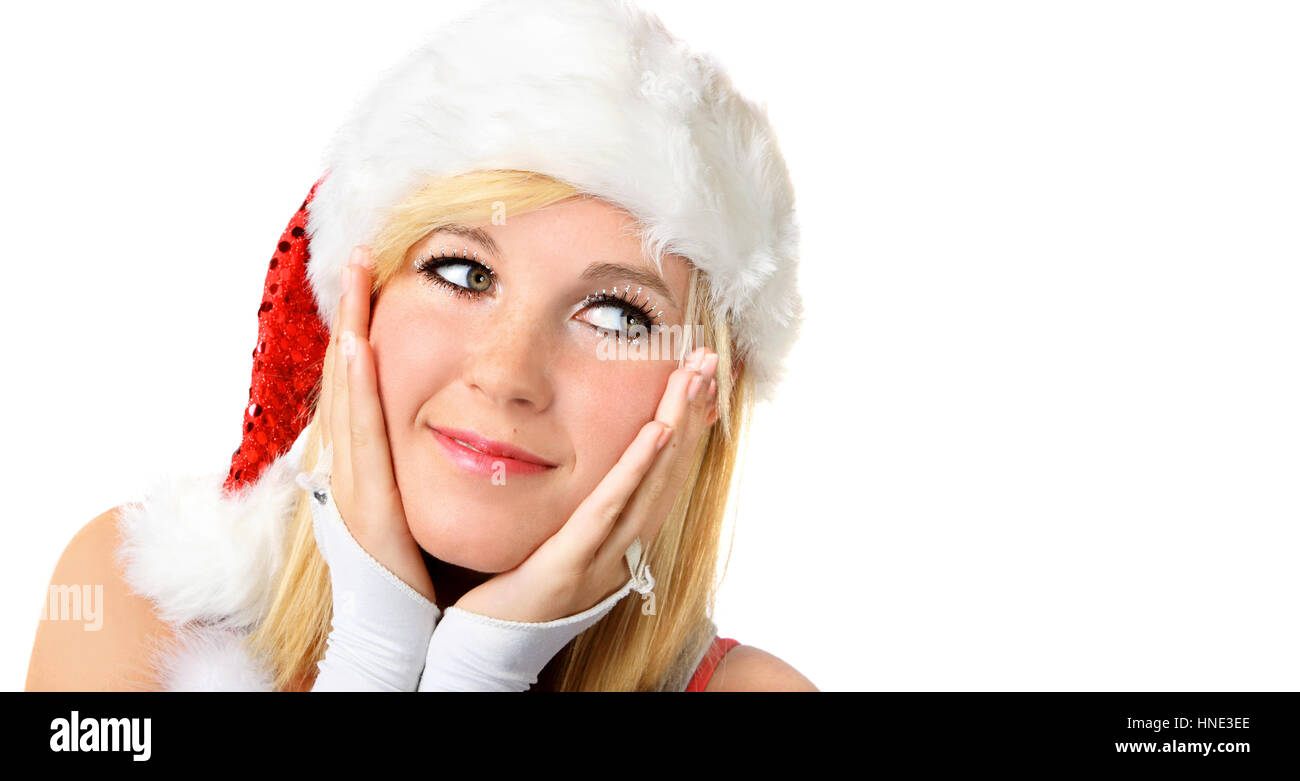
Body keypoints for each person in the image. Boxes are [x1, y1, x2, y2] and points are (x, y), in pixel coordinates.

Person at [26, 0, 814, 691]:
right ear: (350, 303)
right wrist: (371, 653)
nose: (507, 375)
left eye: (614, 315)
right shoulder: (135, 605)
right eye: (463, 271)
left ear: (704, 391)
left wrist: (482, 671)